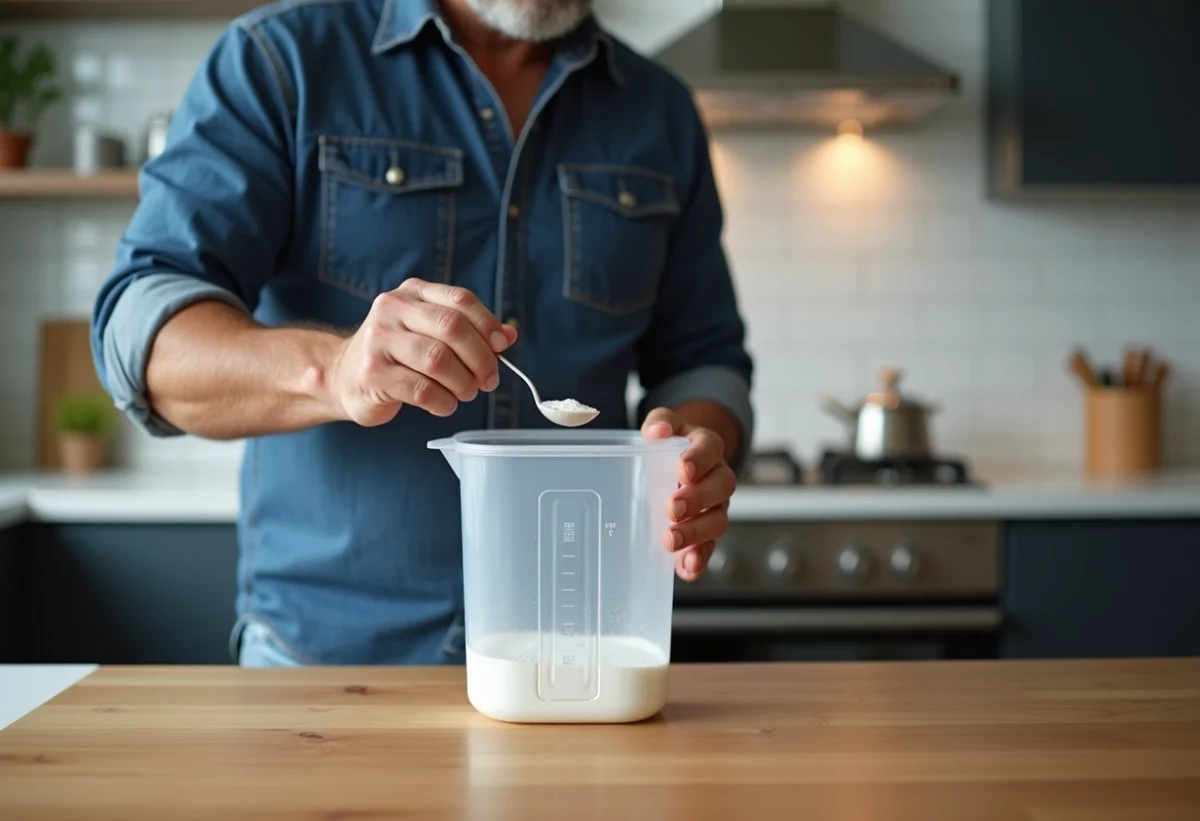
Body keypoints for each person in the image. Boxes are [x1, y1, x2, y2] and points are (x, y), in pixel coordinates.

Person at [91, 0, 753, 666]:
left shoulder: (660, 111)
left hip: (577, 654)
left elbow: (705, 362)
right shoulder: (281, 61)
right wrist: (336, 372)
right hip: (324, 665)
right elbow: (145, 338)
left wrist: (692, 454)